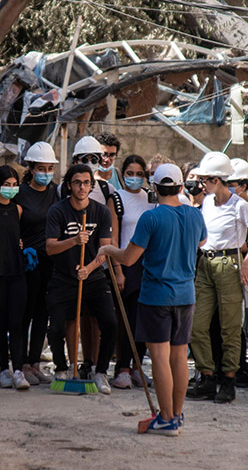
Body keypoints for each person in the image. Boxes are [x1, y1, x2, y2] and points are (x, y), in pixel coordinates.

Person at [99, 163, 207, 436]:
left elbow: (130, 258)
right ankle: (176, 416)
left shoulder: (151, 218)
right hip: (185, 295)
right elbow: (201, 242)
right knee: (179, 356)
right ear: (181, 187)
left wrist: (108, 248)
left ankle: (167, 418)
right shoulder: (195, 215)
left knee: (159, 357)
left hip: (157, 296)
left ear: (154, 189)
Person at [188, 152, 248, 404]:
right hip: (206, 263)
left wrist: (245, 263)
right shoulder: (207, 203)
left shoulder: (240, 205)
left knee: (229, 327)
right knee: (198, 326)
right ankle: (207, 376)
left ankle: (228, 379)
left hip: (229, 264)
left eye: (204, 180)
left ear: (215, 179)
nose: (201, 184)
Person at [45, 164, 117, 395]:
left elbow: (106, 249)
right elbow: (50, 248)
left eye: (86, 183)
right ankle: (61, 368)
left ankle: (101, 371)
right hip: (63, 277)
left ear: (91, 185)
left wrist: (89, 267)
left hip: (93, 277)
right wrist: (74, 241)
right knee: (55, 328)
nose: (82, 187)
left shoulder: (101, 212)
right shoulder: (58, 211)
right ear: (69, 185)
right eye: (77, 182)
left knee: (110, 324)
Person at [63, 135, 116, 379]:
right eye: (84, 159)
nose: (91, 163)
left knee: (98, 317)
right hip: (70, 263)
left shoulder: (107, 189)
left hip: (98, 263)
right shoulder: (62, 188)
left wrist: (115, 267)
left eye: (95, 159)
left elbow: (113, 231)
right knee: (76, 316)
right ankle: (78, 363)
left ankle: (95, 364)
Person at [106, 154, 155, 389]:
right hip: (127, 264)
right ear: (122, 174)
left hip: (148, 264)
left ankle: (137, 367)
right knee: (128, 318)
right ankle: (123, 367)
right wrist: (117, 270)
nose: (134, 179)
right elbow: (114, 236)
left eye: (139, 174)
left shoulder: (151, 198)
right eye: (129, 174)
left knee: (146, 318)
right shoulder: (116, 199)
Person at [0, 166, 31, 390]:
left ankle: (19, 370)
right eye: (6, 184)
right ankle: (3, 369)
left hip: (17, 271)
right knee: (0, 322)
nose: (11, 189)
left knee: (17, 323)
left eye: (14, 185)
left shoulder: (18, 210)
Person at [14, 142, 59, 385]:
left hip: (49, 260)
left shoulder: (56, 192)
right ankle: (20, 363)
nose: (45, 172)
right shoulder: (20, 193)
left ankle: (34, 363)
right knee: (25, 312)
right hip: (28, 262)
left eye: (49, 168)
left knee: (43, 313)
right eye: (41, 168)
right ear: (31, 168)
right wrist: (21, 247)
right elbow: (12, 225)